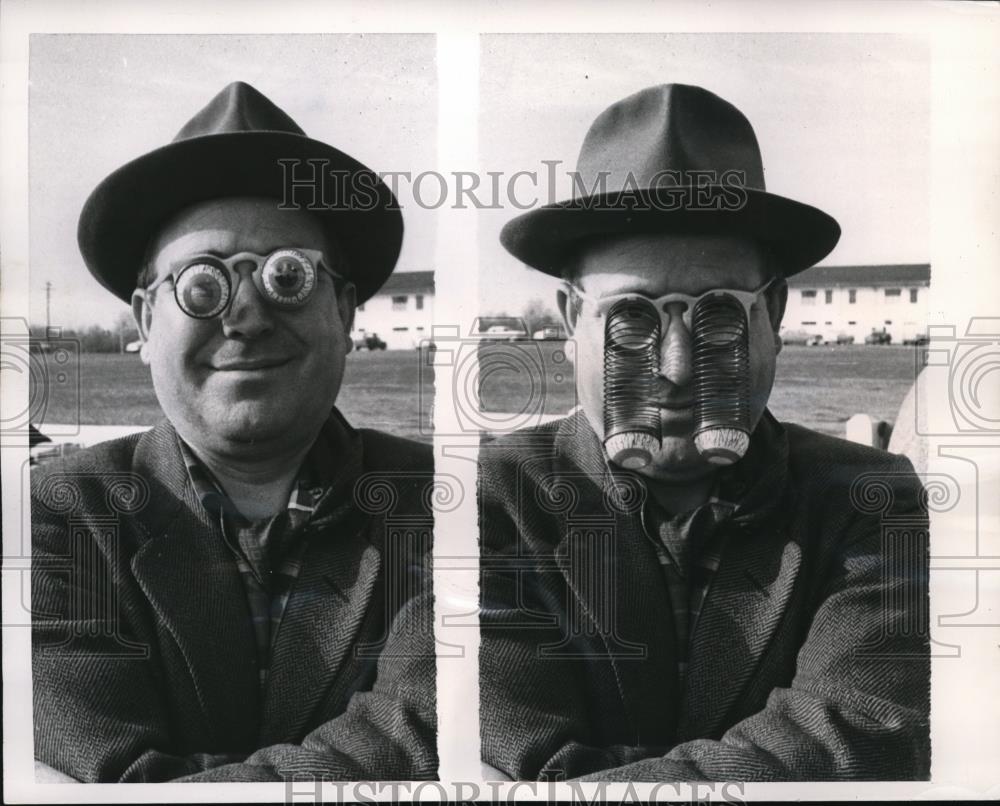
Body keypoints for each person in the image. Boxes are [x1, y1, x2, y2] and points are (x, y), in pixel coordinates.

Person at [479, 84, 929, 781]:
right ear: (571, 322)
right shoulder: (489, 500)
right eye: (632, 317)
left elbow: (863, 728)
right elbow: (514, 752)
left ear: (772, 315)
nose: (677, 368)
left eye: (718, 315)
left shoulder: (867, 498)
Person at [32, 82, 436, 783]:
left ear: (344, 311)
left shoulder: (454, 508)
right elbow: (103, 768)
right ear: (145, 322)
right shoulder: (50, 518)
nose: (246, 317)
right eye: (202, 284)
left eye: (288, 277)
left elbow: (428, 732)